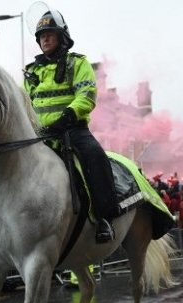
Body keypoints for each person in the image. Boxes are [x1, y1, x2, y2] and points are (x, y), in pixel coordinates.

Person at [23, 9, 117, 242]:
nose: (44, 39)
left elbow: (86, 94)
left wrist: (67, 116)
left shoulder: (77, 63)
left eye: (49, 34)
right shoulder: (31, 71)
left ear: (62, 36)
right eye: (41, 35)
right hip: (41, 135)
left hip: (71, 129)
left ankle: (105, 219)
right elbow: (24, 102)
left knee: (95, 157)